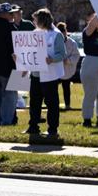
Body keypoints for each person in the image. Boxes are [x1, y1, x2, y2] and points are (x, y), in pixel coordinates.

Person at [26, 8, 67, 142]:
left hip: (50, 75)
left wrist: (52, 59)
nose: (34, 22)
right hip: (36, 74)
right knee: (34, 102)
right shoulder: (34, 33)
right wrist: (20, 58)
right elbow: (29, 52)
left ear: (42, 20)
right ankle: (33, 126)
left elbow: (62, 54)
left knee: (51, 103)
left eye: (36, 19)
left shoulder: (56, 35)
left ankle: (52, 129)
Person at [77, 14, 98, 127]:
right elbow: (93, 23)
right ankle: (87, 119)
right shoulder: (88, 32)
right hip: (91, 61)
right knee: (91, 93)